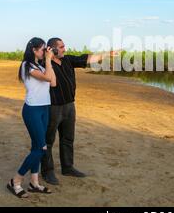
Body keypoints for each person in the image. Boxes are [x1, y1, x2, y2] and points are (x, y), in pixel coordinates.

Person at [41, 37, 119, 185]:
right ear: (53, 49)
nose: (65, 49)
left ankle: (68, 167)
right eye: (62, 47)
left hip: (70, 106)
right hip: (52, 107)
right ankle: (47, 171)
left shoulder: (68, 60)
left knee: (68, 138)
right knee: (48, 141)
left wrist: (107, 54)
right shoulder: (45, 64)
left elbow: (87, 58)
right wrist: (48, 58)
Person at [7, 37, 57, 199]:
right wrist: (49, 61)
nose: (45, 52)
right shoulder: (26, 66)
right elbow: (49, 79)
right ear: (34, 50)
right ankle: (15, 181)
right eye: (43, 49)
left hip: (45, 108)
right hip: (32, 110)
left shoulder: (40, 66)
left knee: (37, 147)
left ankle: (34, 183)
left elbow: (53, 82)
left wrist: (49, 61)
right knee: (41, 149)